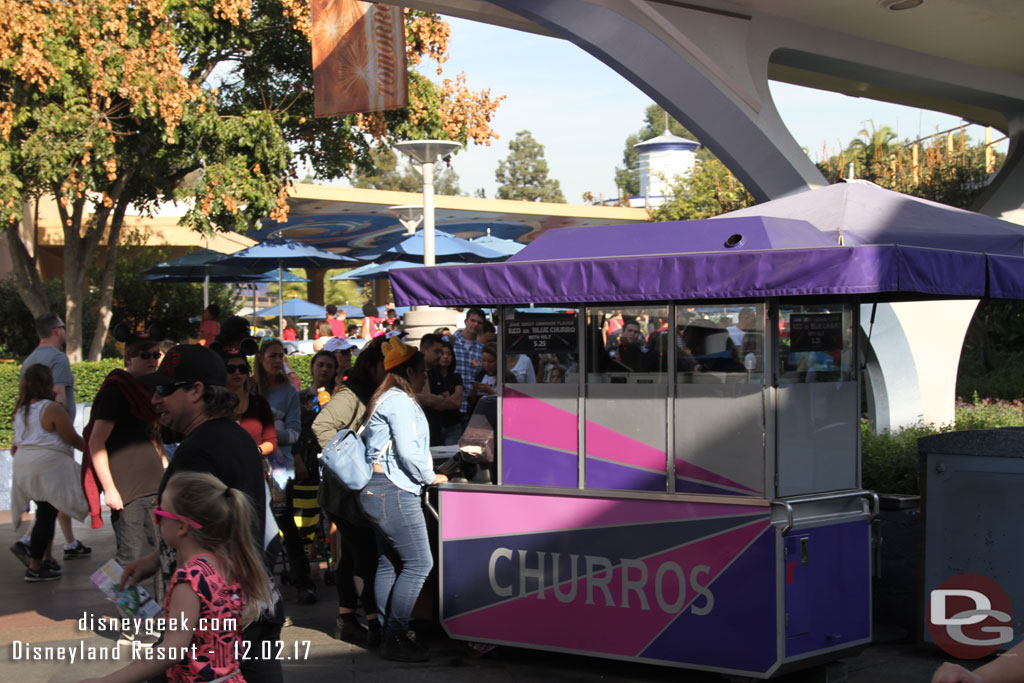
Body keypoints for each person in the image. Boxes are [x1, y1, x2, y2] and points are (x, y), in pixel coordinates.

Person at [121, 344, 284, 683]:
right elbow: (212, 521)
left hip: (222, 622)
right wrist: (155, 558)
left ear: (196, 391)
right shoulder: (234, 436)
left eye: (164, 390)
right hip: (249, 603)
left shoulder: (198, 451)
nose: (154, 400)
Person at [82, 471, 274, 683]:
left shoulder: (189, 579)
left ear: (182, 526)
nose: (157, 520)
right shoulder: (224, 566)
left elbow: (171, 649)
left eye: (160, 514)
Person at [359, 337, 448, 662]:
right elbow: (410, 453)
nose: (426, 376)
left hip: (377, 489)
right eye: (423, 370)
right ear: (410, 370)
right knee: (420, 563)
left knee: (391, 563)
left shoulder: (384, 398)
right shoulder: (400, 402)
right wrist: (430, 476)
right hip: (394, 490)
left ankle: (387, 633)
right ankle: (395, 635)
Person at [312, 338, 386, 647]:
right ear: (372, 366)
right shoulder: (351, 394)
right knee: (366, 555)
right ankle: (370, 621)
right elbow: (322, 426)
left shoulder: (373, 394)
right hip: (344, 490)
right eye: (387, 365)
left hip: (351, 490)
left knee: (355, 553)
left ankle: (349, 619)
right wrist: (352, 462)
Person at [11, 313, 91, 566]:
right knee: (53, 503)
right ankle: (33, 553)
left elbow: (17, 440)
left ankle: (61, 547)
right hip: (52, 451)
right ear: (57, 331)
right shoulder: (58, 359)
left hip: (26, 460)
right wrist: (93, 450)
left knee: (49, 504)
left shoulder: (29, 363)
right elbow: (59, 397)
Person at [83, 328, 166, 571]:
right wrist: (109, 489)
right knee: (127, 557)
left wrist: (165, 468)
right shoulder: (116, 390)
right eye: (144, 355)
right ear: (129, 358)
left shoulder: (152, 390)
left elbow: (154, 435)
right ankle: (127, 609)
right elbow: (95, 442)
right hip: (126, 490)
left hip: (155, 486)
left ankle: (165, 609)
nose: (152, 359)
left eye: (156, 354)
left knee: (163, 554)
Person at [252, 338, 314, 603]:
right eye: (272, 356)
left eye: (281, 356)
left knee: (284, 521)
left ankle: (303, 581)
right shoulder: (249, 389)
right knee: (255, 525)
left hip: (279, 468)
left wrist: (263, 434)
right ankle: (259, 584)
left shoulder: (289, 392)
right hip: (251, 465)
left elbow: (294, 432)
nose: (278, 361)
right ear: (261, 359)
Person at [422, 336, 464, 446]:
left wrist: (436, 400)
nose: (442, 356)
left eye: (447, 354)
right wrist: (434, 399)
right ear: (423, 350)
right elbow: (427, 400)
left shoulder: (451, 376)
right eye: (437, 352)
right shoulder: (421, 370)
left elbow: (455, 402)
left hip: (447, 424)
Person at [453, 307, 486, 427]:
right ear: (466, 321)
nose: (475, 324)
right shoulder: (450, 342)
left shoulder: (482, 349)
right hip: (451, 406)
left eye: (479, 322)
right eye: (473, 320)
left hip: (471, 407)